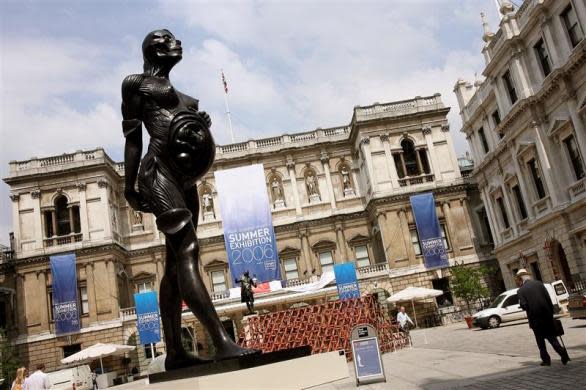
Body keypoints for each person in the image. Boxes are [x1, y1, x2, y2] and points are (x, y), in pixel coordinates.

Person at [122, 29, 258, 370]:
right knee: (188, 252)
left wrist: (201, 124)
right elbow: (133, 140)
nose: (176, 43)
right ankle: (221, 341)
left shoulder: (183, 96)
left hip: (186, 180)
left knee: (173, 266)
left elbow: (180, 123)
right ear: (153, 50)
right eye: (167, 40)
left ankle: (176, 352)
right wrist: (129, 186)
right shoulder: (136, 84)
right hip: (159, 174)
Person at [516, 268, 570, 366]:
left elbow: (524, 305)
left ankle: (546, 360)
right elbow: (548, 299)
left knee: (540, 341)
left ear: (520, 279)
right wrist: (551, 314)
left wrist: (524, 305)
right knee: (552, 338)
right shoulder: (539, 284)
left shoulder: (521, 291)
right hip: (547, 316)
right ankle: (562, 353)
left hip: (535, 320)